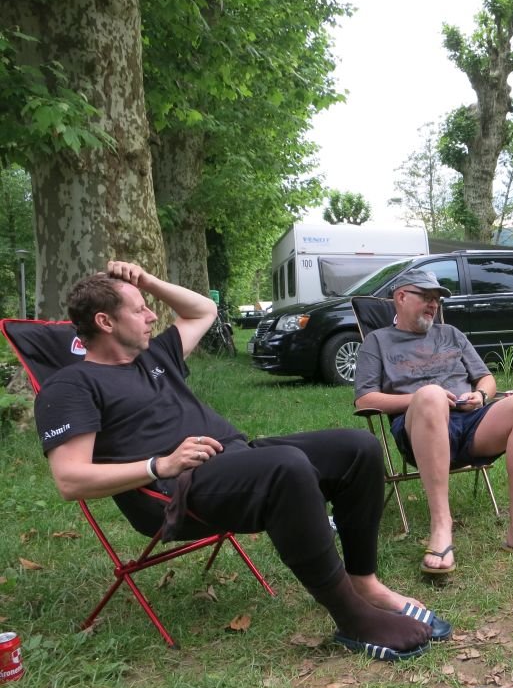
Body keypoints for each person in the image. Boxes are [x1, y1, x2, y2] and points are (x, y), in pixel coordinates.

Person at [33, 261, 440, 659]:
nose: (151, 316)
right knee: (287, 467)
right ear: (105, 322)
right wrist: (161, 465)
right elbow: (70, 479)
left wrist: (147, 280)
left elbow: (203, 310)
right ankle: (352, 617)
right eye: (139, 309)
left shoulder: (156, 356)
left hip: (235, 458)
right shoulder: (70, 386)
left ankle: (364, 582)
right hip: (175, 491)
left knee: (357, 448)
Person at [353, 269, 513, 574]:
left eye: (437, 299)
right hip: (420, 428)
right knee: (430, 395)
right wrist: (425, 397)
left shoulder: (452, 334)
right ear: (401, 296)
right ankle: (441, 526)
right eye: (426, 297)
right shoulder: (377, 341)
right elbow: (365, 400)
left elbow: (486, 378)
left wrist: (480, 396)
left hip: (469, 422)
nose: (433, 304)